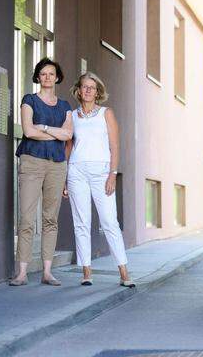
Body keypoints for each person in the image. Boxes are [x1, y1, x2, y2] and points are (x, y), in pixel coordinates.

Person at [64, 72, 134, 287]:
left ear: (97, 92)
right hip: (76, 171)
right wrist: (65, 178)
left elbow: (115, 146)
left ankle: (124, 273)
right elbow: (68, 146)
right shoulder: (71, 116)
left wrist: (113, 174)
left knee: (109, 221)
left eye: (92, 87)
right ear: (78, 90)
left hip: (101, 173)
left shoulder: (106, 113)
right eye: (84, 87)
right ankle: (86, 272)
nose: (87, 90)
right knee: (81, 223)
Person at [10, 58, 73, 286]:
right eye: (43, 73)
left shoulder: (65, 106)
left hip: (57, 165)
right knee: (26, 218)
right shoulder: (29, 100)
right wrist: (56, 133)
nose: (47, 77)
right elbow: (28, 130)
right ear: (38, 77)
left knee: (50, 219)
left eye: (51, 73)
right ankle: (22, 273)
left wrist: (44, 128)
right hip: (32, 162)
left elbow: (68, 135)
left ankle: (47, 272)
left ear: (57, 77)